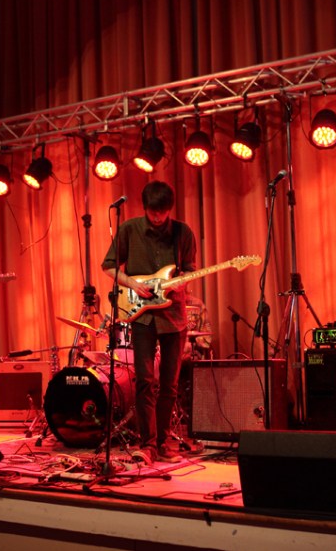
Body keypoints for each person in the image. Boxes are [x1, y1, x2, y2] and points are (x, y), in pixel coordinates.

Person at [102, 181, 196, 464]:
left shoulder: (182, 232)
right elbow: (108, 266)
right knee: (145, 381)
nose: (157, 217)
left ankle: (164, 442)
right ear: (145, 208)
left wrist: (182, 284)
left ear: (169, 209)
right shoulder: (129, 229)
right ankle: (148, 444)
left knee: (169, 384)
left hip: (173, 317)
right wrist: (132, 283)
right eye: (153, 212)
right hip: (141, 316)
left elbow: (190, 270)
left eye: (162, 212)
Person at [183, 294, 212, 361]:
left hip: (192, 355)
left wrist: (191, 344)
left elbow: (207, 337)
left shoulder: (197, 304)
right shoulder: (164, 305)